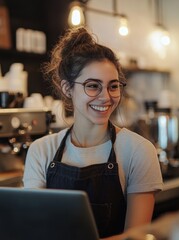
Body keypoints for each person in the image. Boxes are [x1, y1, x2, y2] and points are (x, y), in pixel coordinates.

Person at [23, 27, 163, 239]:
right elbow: (35, 230)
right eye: (92, 86)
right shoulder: (41, 151)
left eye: (113, 86)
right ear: (67, 88)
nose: (105, 97)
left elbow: (135, 237)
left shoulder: (139, 151)